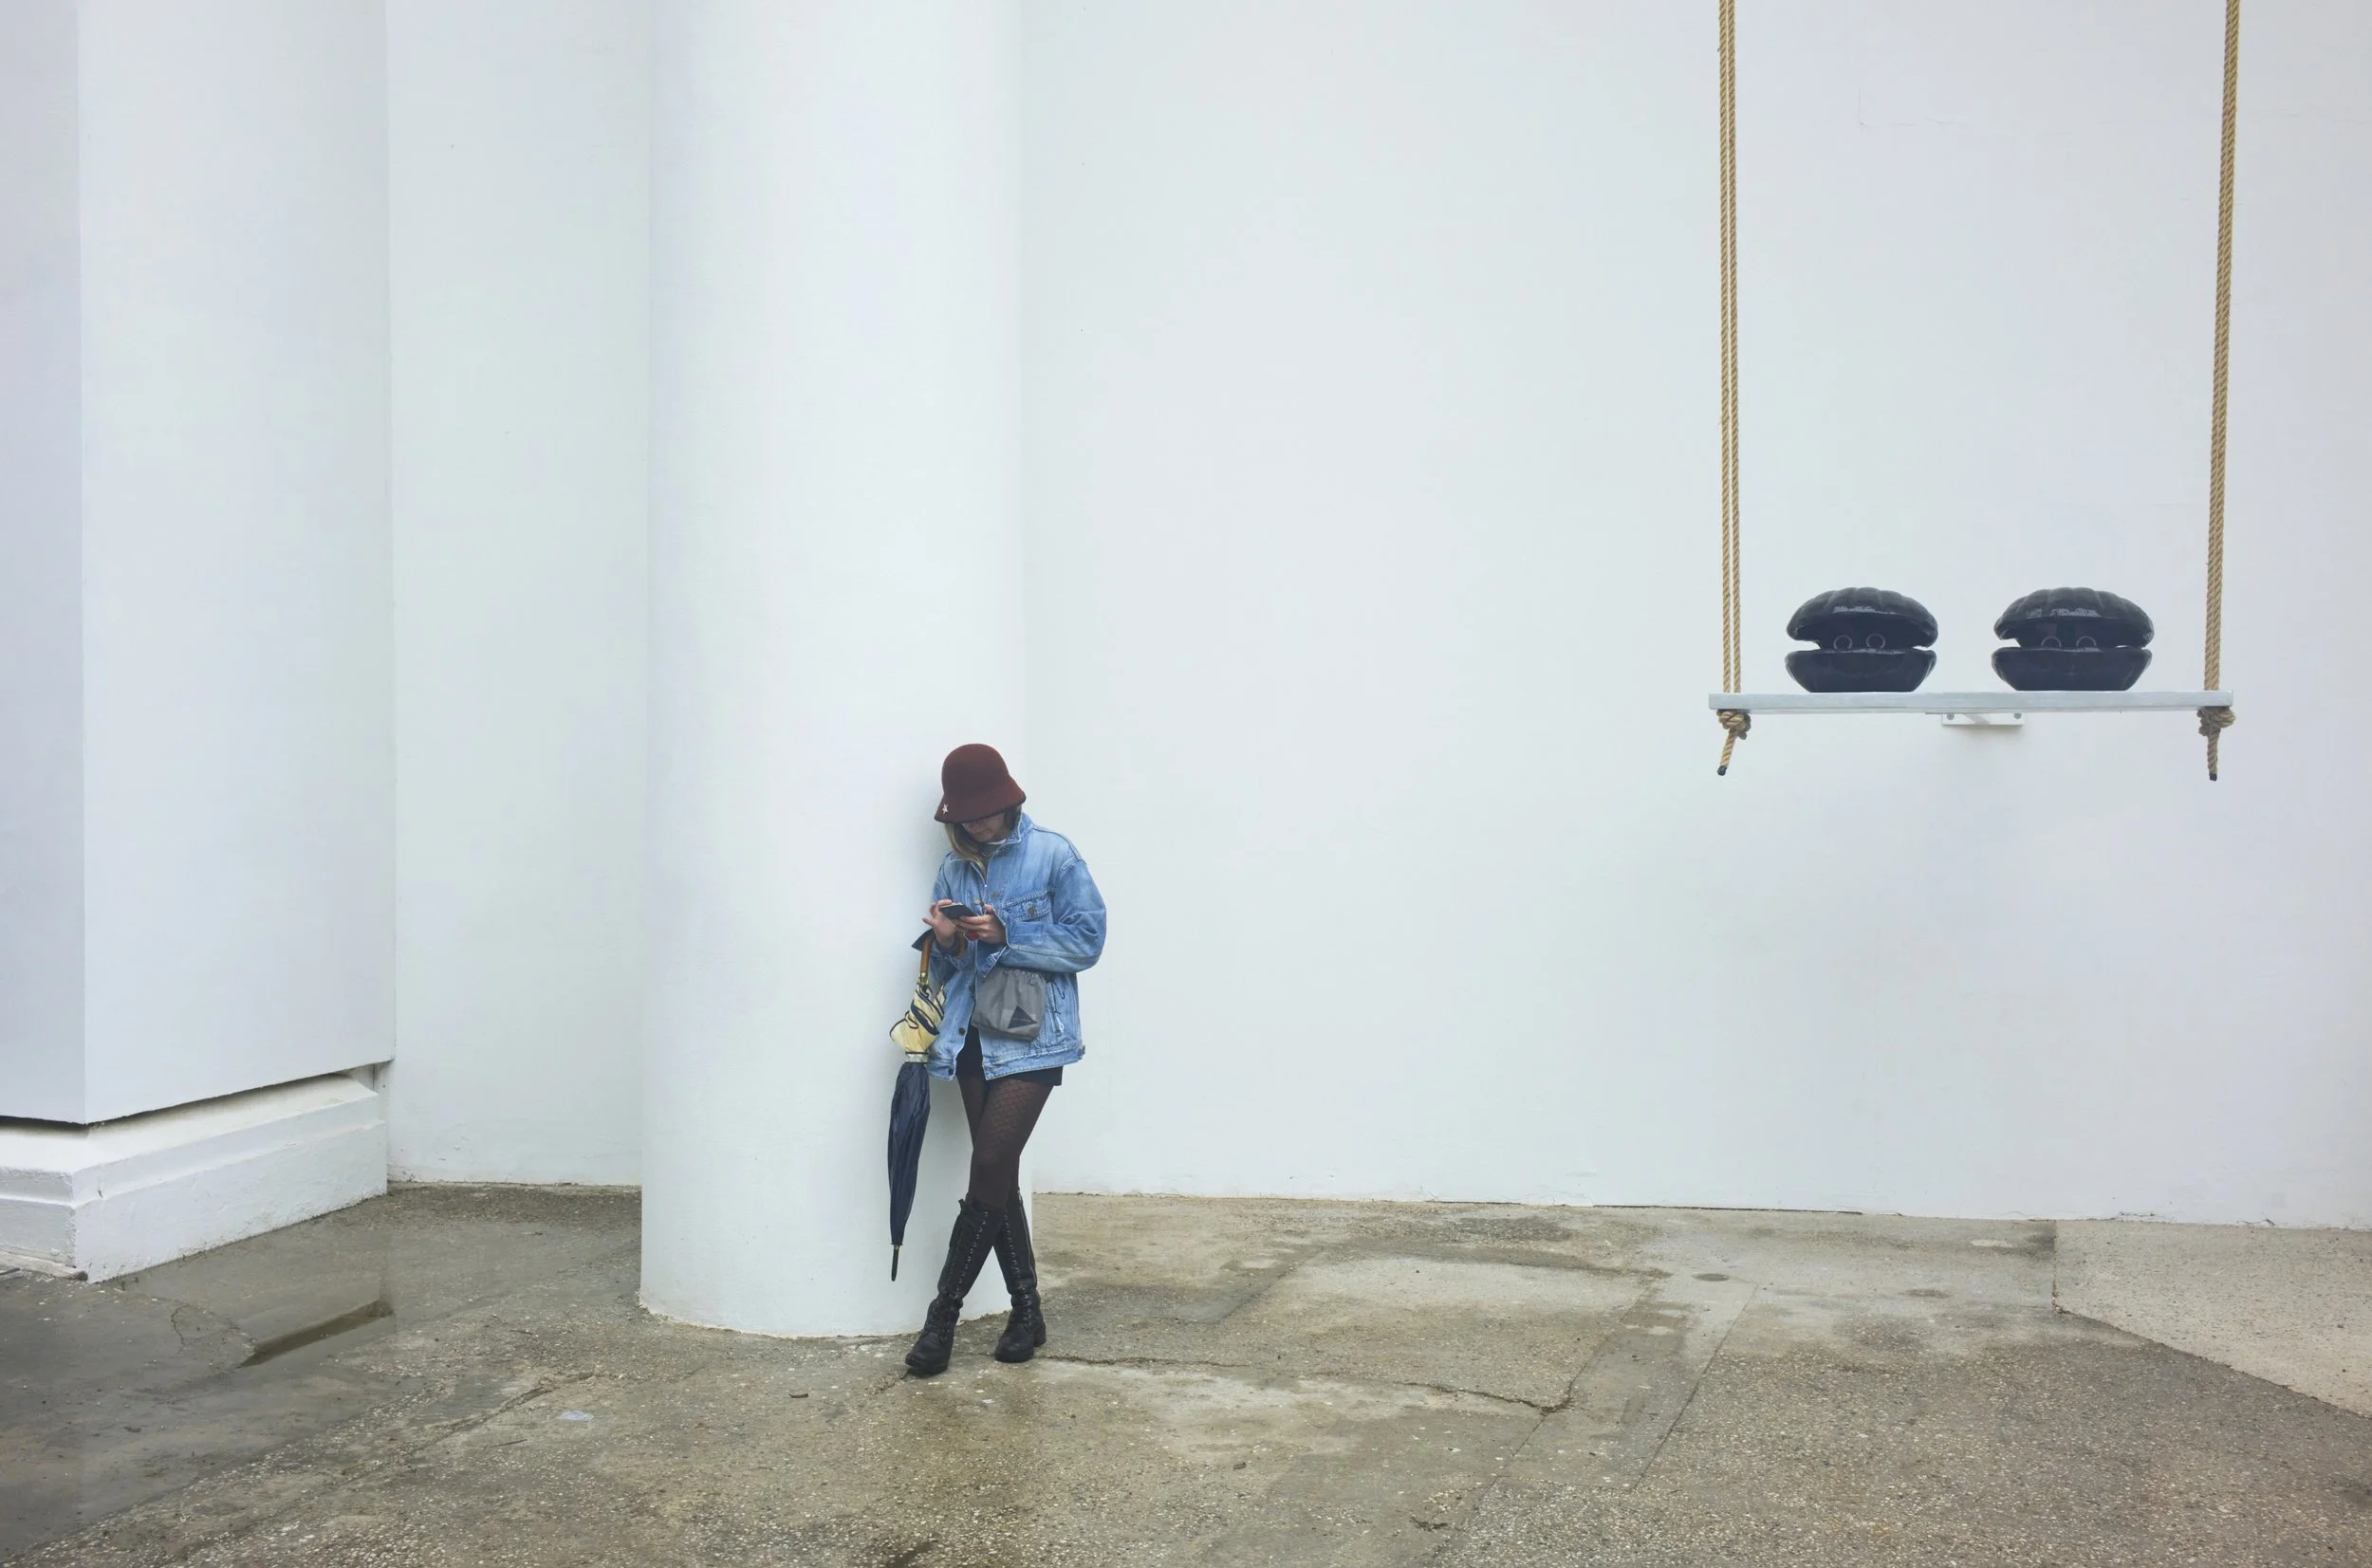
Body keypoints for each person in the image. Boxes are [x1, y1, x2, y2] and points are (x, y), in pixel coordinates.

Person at [903, 743, 1107, 1377]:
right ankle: (1027, 1311)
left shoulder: (1053, 854)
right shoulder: (953, 869)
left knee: (988, 1162)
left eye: (986, 812)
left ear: (1009, 799)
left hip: (1032, 1035)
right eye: (966, 817)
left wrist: (1008, 934)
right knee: (1000, 1170)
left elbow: (1087, 941)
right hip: (971, 1033)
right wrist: (947, 942)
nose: (978, 825)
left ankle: (942, 1319)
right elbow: (952, 970)